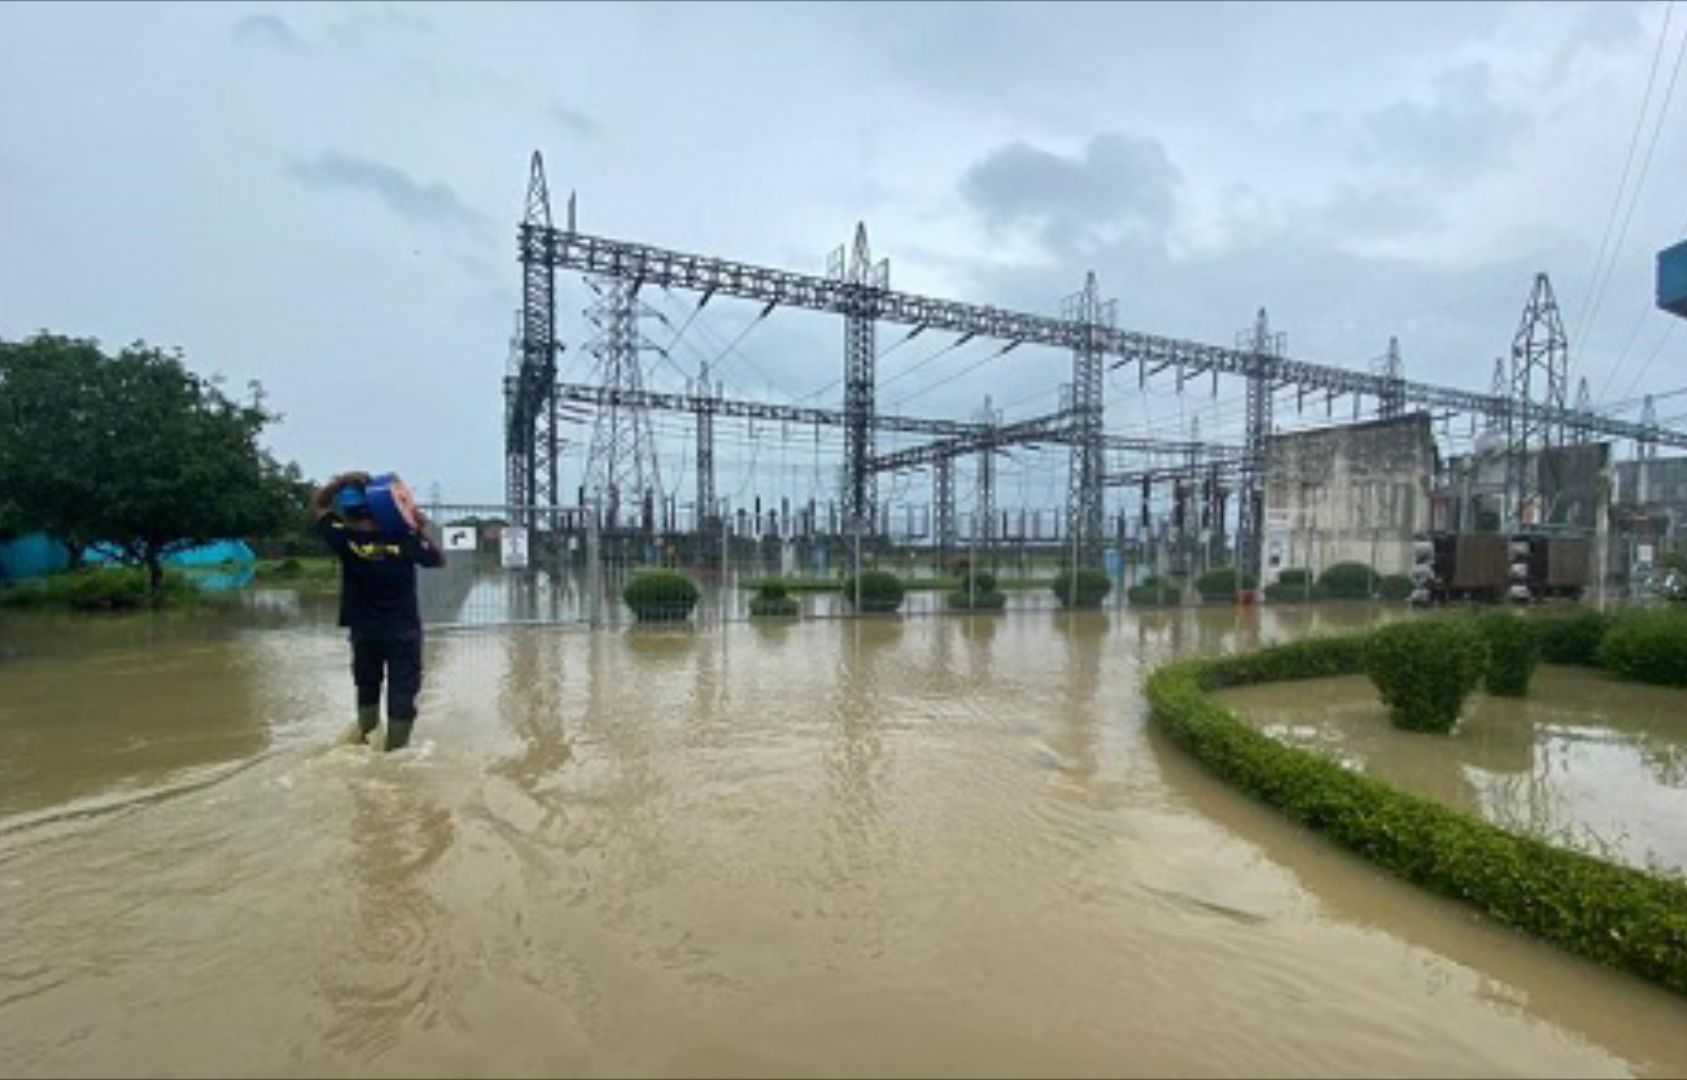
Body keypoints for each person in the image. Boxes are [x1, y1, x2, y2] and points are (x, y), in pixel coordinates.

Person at [311, 471, 445, 750]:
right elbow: (437, 560)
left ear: (348, 512)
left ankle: (365, 742)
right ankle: (394, 757)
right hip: (403, 632)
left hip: (364, 631)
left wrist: (340, 481)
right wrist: (415, 522)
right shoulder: (403, 537)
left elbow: (320, 506)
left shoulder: (344, 538)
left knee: (367, 687)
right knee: (402, 697)